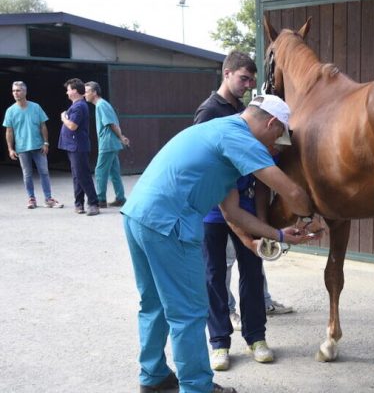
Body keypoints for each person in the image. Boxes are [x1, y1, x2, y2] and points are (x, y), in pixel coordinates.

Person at [122, 94, 321, 393]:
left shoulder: (219, 132)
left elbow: (233, 212)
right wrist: (315, 215)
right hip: (169, 224)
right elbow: (290, 191)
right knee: (188, 312)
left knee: (153, 302)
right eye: (277, 138)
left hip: (138, 215)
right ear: (271, 123)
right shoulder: (241, 139)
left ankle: (153, 376)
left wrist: (278, 235)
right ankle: (197, 388)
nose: (274, 146)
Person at [193, 51, 292, 339]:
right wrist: (246, 229)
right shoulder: (209, 112)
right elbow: (207, 167)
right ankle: (219, 339)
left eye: (252, 80)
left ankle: (256, 336)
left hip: (245, 202)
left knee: (252, 269)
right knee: (216, 272)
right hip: (216, 207)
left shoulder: (244, 110)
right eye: (243, 78)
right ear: (226, 73)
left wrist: (259, 224)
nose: (249, 85)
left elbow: (259, 168)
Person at [3, 81, 63, 209]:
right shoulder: (10, 111)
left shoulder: (36, 107)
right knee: (27, 174)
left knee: (44, 172)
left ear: (25, 92)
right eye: (14, 91)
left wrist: (46, 142)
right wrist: (10, 149)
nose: (15, 93)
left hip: (38, 146)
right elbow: (9, 131)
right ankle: (31, 199)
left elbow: (43, 125)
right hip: (22, 148)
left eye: (18, 90)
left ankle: (48, 199)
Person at [84, 81, 129, 208]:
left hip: (108, 143)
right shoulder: (103, 104)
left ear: (94, 92)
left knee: (100, 171)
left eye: (86, 92)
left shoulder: (101, 105)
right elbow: (113, 123)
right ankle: (120, 198)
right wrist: (121, 137)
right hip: (111, 142)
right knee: (114, 172)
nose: (84, 94)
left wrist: (121, 137)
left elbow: (111, 124)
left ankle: (100, 199)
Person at [58, 78, 100, 216]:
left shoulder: (79, 106)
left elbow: (72, 126)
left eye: (69, 89)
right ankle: (79, 203)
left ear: (75, 91)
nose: (67, 92)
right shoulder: (77, 105)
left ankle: (93, 203)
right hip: (73, 146)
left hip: (78, 146)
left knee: (82, 175)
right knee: (77, 176)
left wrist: (63, 117)